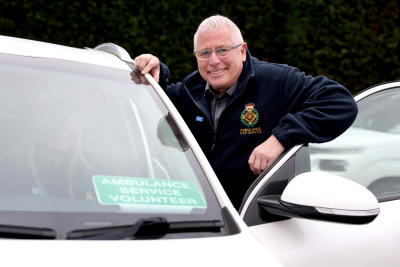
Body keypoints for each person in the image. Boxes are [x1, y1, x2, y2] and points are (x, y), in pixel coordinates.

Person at [131, 15, 358, 209]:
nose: (214, 61)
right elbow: (148, 104)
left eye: (222, 50)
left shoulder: (277, 81)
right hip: (204, 220)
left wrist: (281, 137)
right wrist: (155, 72)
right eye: (204, 53)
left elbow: (339, 102)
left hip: (264, 222)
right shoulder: (189, 91)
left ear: (242, 51)